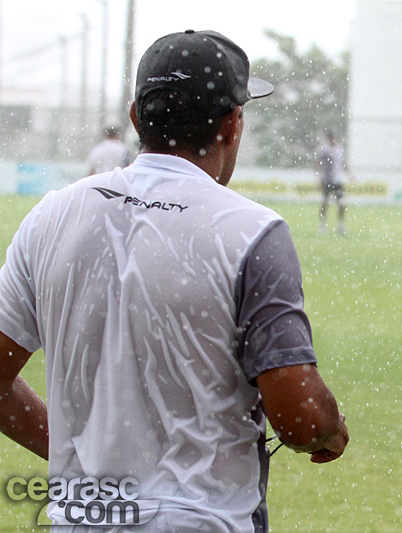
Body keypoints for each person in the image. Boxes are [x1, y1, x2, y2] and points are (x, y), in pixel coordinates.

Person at [0, 29, 348, 531]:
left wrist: (82, 455)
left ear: (137, 116)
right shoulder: (251, 232)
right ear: (232, 124)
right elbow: (299, 420)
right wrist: (329, 425)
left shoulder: (54, 214)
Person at [316, 130, 348, 235]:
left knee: (342, 203)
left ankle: (340, 225)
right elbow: (319, 164)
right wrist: (319, 178)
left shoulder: (340, 149)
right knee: (325, 203)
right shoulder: (324, 150)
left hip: (337, 180)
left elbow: (342, 163)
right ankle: (322, 224)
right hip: (327, 180)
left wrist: (350, 174)